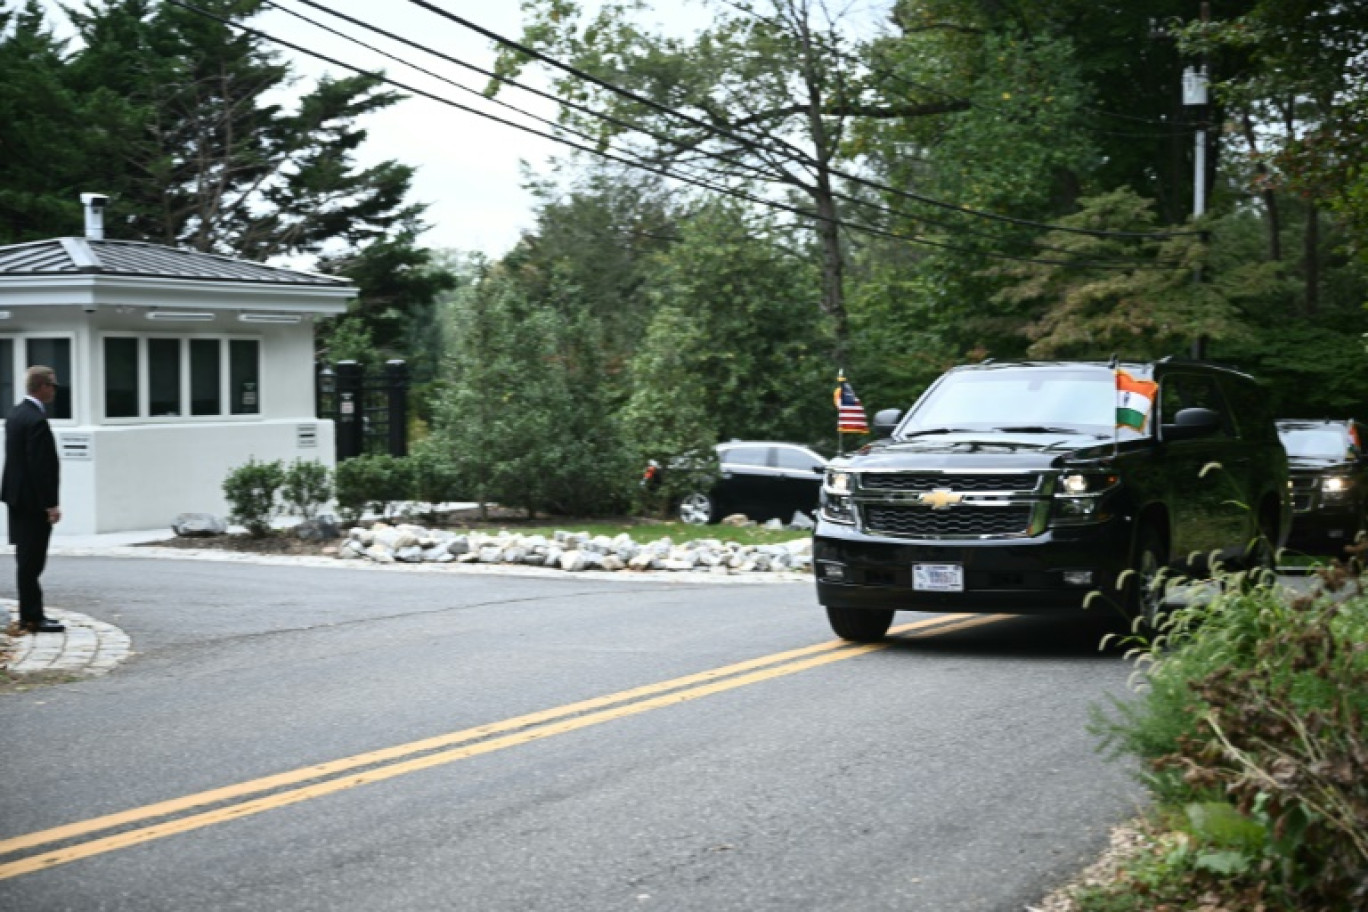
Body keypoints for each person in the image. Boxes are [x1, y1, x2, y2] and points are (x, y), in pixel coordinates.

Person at [2, 365, 63, 634]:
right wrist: (50, 504)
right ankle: (33, 616)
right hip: (32, 501)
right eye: (54, 385)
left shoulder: (16, 414)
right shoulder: (36, 420)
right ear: (42, 386)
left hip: (17, 498)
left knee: (26, 558)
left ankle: (31, 613)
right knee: (32, 561)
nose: (55, 390)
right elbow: (40, 467)